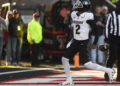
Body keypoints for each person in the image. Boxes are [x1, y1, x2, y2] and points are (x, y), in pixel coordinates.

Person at [60, 0, 115, 86]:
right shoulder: (74, 14)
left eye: (80, 4)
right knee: (64, 59)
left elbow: (96, 30)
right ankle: (69, 79)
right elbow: (71, 28)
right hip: (75, 41)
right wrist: (68, 40)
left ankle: (108, 70)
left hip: (83, 42)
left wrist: (95, 42)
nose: (77, 5)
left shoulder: (88, 16)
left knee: (87, 64)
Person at [104, 0, 120, 82]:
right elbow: (106, 27)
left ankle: (119, 77)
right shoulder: (111, 15)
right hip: (113, 38)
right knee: (112, 57)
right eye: (118, 6)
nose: (118, 7)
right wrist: (106, 39)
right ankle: (107, 75)